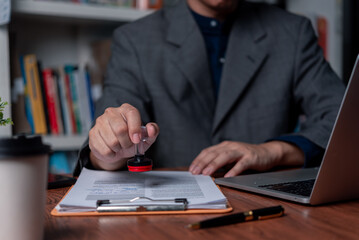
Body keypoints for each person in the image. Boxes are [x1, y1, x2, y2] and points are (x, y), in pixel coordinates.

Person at [74, 0, 345, 177]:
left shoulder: (292, 32)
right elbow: (108, 141)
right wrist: (108, 151)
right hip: (164, 216)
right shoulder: (134, 40)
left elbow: (343, 120)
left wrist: (273, 152)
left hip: (269, 210)